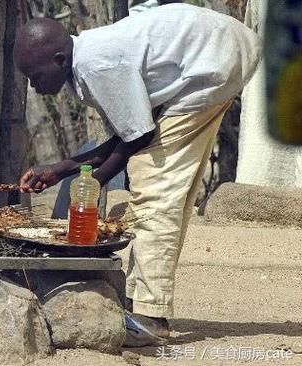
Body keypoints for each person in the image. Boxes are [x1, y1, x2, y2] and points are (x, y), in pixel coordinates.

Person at [14, 3, 261, 346]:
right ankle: (143, 300)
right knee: (163, 182)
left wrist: (94, 180)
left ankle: (148, 316)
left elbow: (138, 136)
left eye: (36, 76)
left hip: (212, 60)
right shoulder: (86, 59)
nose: (34, 86)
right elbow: (131, 131)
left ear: (59, 60)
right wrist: (61, 169)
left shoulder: (96, 64)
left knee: (154, 184)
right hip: (219, 50)